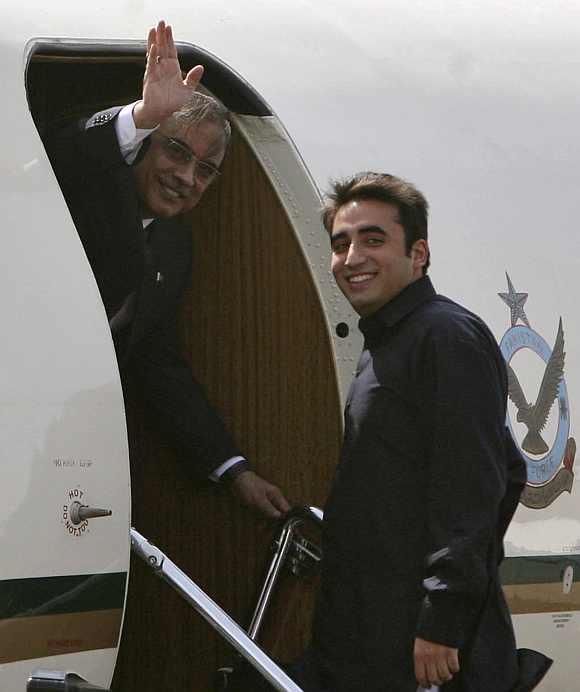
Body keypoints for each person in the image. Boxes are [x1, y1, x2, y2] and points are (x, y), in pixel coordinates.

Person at [282, 172, 549, 691]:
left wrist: (441, 623)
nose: (352, 257)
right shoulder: (390, 341)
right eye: (341, 244)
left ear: (419, 254)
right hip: (369, 637)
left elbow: (474, 489)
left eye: (373, 239)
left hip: (422, 649)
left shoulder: (445, 336)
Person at [44, 20, 289, 518]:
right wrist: (139, 116)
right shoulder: (78, 187)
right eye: (176, 150)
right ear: (144, 145)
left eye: (205, 170)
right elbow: (66, 152)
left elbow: (155, 360)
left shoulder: (174, 245)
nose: (186, 177)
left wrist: (233, 468)